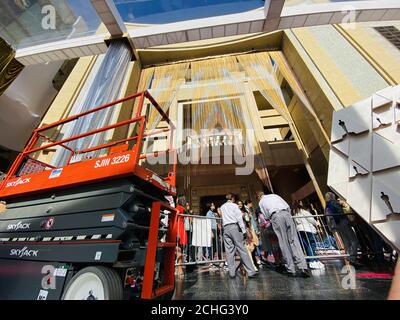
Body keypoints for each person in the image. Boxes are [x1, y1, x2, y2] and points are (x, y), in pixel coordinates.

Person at [257, 190, 310, 278]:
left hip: (275, 216)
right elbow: (287, 206)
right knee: (294, 240)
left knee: (283, 242)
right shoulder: (275, 195)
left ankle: (291, 268)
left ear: (259, 197)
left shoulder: (262, 202)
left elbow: (266, 216)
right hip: (286, 213)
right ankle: (303, 266)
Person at [220, 193, 257, 279]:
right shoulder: (234, 206)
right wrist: (243, 230)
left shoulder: (222, 207)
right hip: (234, 227)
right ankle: (251, 272)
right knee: (242, 249)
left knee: (229, 251)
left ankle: (232, 273)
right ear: (232, 198)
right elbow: (239, 218)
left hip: (226, 228)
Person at [325, 192, 360, 266]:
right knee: (354, 240)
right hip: (343, 222)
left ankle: (349, 256)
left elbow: (328, 218)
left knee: (346, 241)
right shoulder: (334, 203)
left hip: (337, 225)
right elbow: (341, 212)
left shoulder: (327, 206)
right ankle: (353, 258)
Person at [292, 200, 325, 270]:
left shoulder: (295, 213)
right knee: (311, 245)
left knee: (306, 246)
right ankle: (313, 261)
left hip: (300, 230)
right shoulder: (303, 212)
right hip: (308, 229)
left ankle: (311, 260)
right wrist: (317, 224)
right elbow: (311, 220)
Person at [206, 203, 219, 270]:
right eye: (213, 205)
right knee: (213, 245)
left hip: (215, 229)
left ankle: (213, 260)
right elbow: (208, 223)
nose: (214, 206)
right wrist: (211, 232)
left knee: (215, 245)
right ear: (210, 206)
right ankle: (211, 261)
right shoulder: (208, 213)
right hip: (212, 230)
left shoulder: (213, 213)